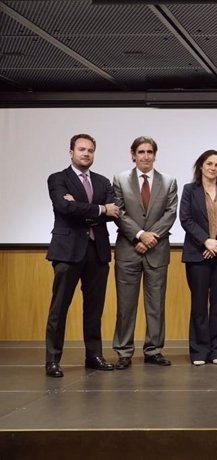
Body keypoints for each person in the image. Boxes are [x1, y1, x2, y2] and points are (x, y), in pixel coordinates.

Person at [45, 133, 120, 377]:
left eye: (90, 150)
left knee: (94, 309)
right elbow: (64, 207)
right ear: (71, 152)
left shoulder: (102, 181)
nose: (86, 153)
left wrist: (82, 208)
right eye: (81, 149)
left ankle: (94, 356)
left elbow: (114, 211)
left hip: (97, 251)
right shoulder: (58, 179)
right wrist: (99, 209)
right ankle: (53, 360)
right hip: (67, 252)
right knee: (59, 308)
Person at [112, 136, 178, 369]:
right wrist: (140, 235)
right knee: (125, 305)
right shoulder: (119, 179)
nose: (146, 156)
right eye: (141, 152)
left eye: (150, 152)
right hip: (128, 250)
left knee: (156, 305)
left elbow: (170, 214)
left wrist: (150, 239)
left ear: (155, 155)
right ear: (133, 154)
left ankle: (153, 350)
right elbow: (118, 212)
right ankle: (123, 352)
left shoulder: (169, 181)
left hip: (157, 251)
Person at [180, 150, 217, 366]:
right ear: (201, 166)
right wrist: (206, 241)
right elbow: (186, 220)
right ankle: (199, 351)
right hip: (198, 254)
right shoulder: (189, 190)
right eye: (209, 164)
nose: (213, 168)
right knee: (199, 304)